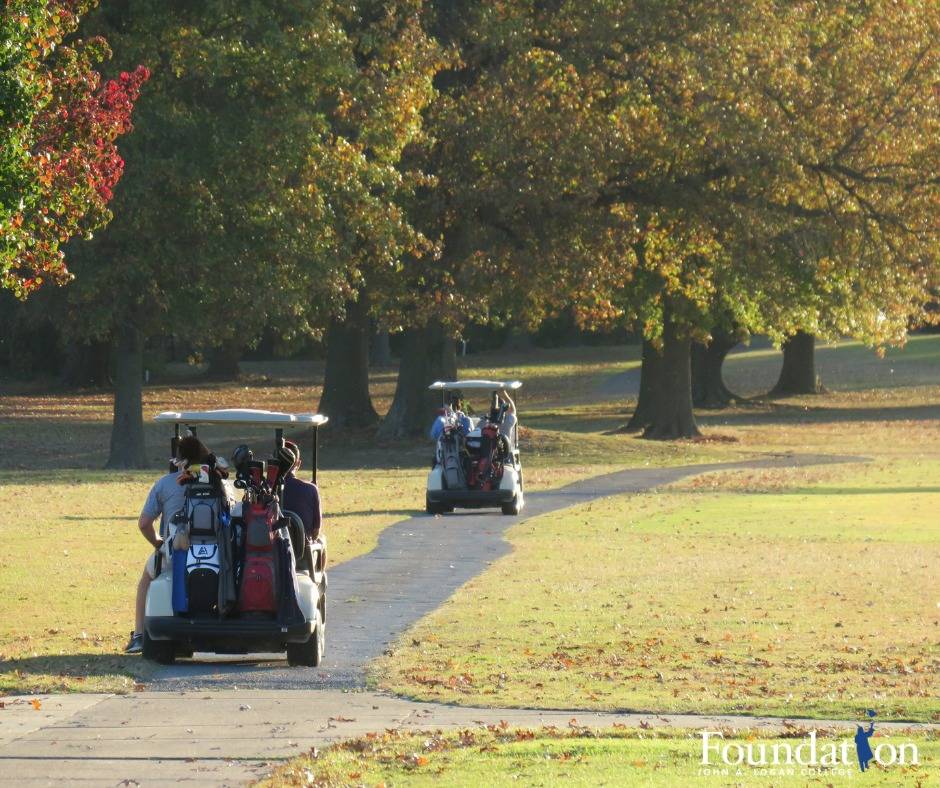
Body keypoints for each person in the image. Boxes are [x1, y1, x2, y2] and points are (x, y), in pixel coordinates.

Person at [125, 435, 210, 654]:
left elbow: (144, 523)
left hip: (177, 551)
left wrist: (158, 543)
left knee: (146, 578)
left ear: (179, 460)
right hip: (212, 554)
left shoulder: (165, 484)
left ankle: (139, 635)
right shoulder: (218, 483)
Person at [278, 440, 322, 541]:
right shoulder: (311, 489)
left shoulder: (267, 489)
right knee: (321, 540)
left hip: (273, 546)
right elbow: (316, 532)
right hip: (301, 549)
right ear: (298, 463)